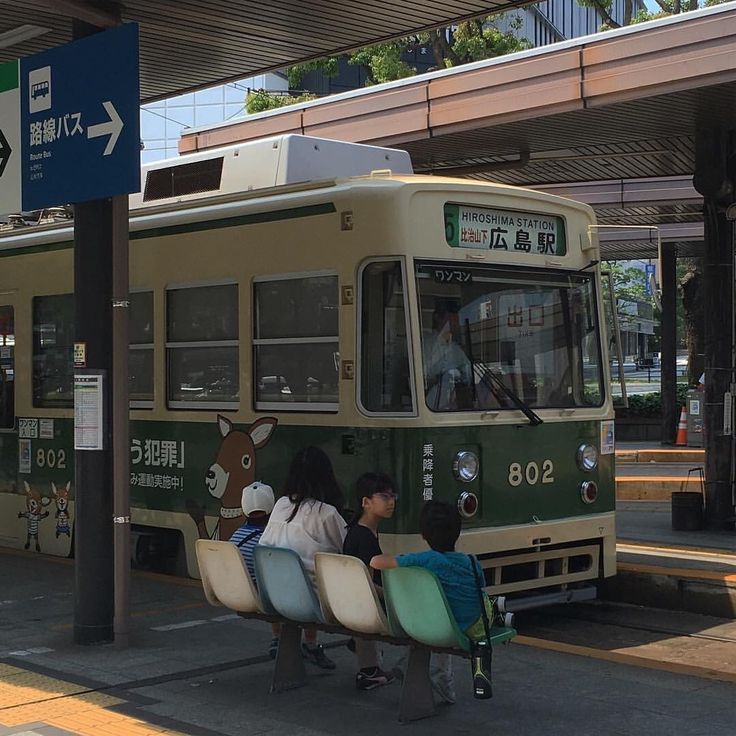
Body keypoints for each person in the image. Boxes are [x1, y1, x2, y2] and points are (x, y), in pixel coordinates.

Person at [371, 499, 490, 704]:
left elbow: (376, 562)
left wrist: (402, 558)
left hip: (426, 626)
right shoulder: (472, 561)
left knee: (436, 615)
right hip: (470, 628)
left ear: (424, 535)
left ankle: (410, 664)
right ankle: (444, 678)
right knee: (451, 615)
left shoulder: (424, 560)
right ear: (458, 532)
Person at [259, 446, 346, 669]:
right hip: (310, 600)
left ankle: (289, 641)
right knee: (318, 577)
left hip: (272, 596)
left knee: (303, 575)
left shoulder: (280, 505)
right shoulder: (327, 513)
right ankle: (313, 645)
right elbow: (346, 549)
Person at [342, 472, 398, 691]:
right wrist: (393, 596)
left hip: (352, 601)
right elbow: (365, 585)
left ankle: (361, 649)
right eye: (384, 497)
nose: (391, 502)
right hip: (362, 605)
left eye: (393, 496)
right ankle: (369, 670)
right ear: (366, 502)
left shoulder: (360, 530)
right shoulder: (364, 537)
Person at [229, 481, 281, 658]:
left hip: (235, 594)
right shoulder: (269, 539)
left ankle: (277, 637)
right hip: (260, 599)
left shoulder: (235, 536)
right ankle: (305, 644)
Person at [422, 307, 472, 410]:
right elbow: (424, 373)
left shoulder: (455, 348)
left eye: (456, 320)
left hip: (455, 403)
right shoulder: (426, 344)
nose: (455, 324)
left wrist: (459, 375)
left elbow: (468, 372)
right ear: (438, 319)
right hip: (430, 403)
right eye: (451, 320)